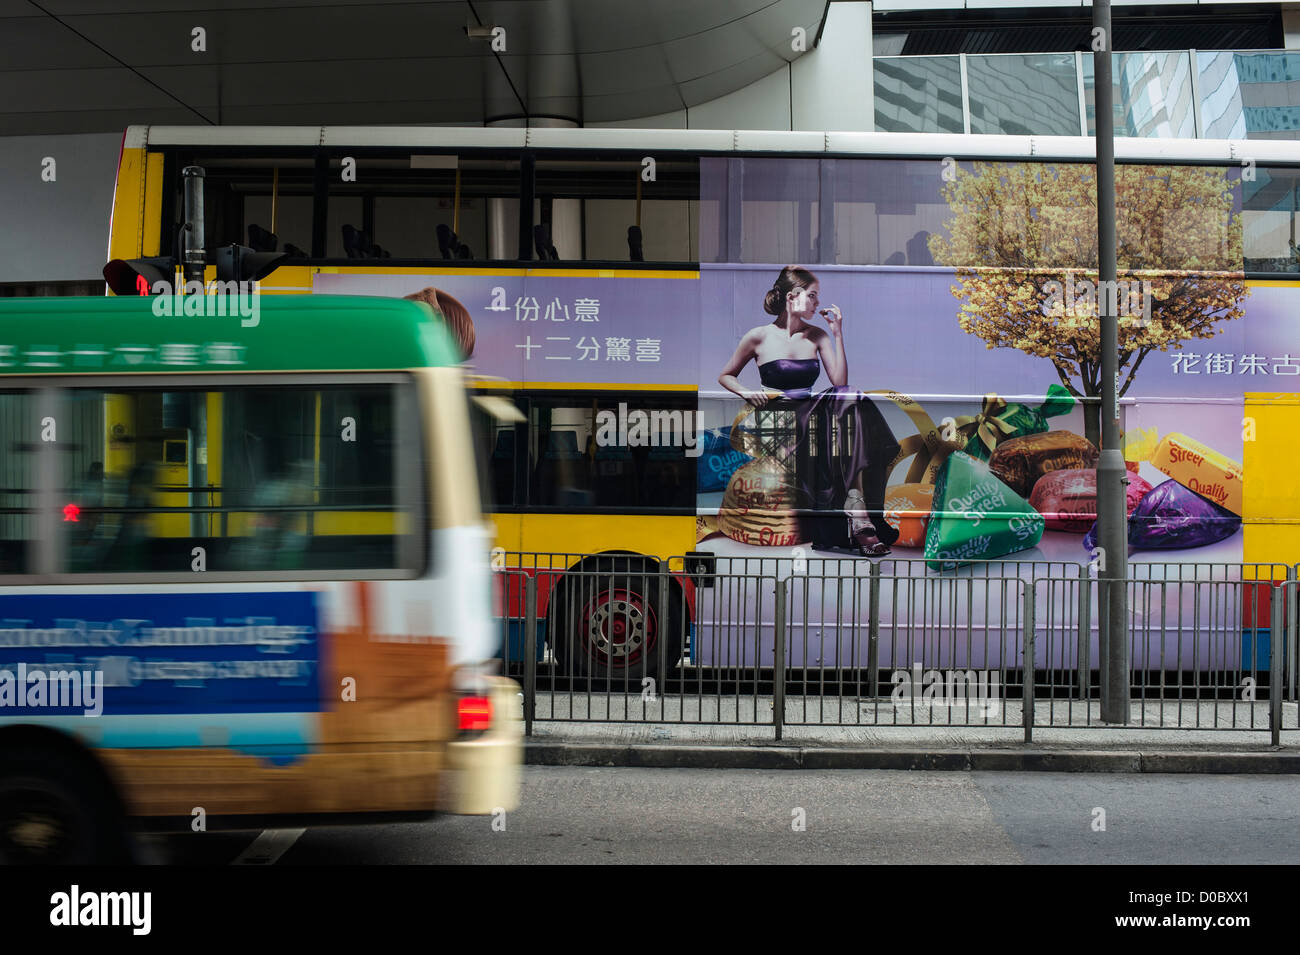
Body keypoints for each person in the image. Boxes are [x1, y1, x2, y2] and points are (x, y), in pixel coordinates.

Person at [717, 265, 900, 556]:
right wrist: (747, 392)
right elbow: (726, 375)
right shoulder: (758, 336)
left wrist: (837, 334)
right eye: (813, 296)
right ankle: (854, 512)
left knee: (850, 396)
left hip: (812, 413)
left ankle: (855, 504)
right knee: (836, 422)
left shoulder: (817, 336)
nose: (818, 303)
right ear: (793, 296)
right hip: (778, 416)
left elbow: (840, 383)